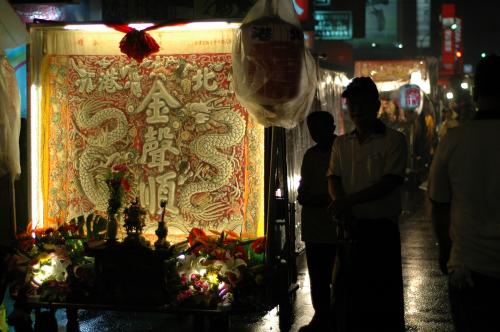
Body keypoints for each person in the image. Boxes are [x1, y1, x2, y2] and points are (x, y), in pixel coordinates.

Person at [327, 77, 407, 332]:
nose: (356, 110)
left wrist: (346, 203)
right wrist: (344, 208)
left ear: (376, 105)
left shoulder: (394, 140)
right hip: (351, 231)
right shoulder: (341, 143)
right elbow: (334, 179)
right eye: (352, 104)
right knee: (349, 302)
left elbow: (389, 183)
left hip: (381, 231)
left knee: (382, 304)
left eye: (362, 104)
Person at [428, 54, 500, 332]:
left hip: (468, 271)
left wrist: (446, 253)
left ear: (476, 92)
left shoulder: (453, 141)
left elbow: (439, 207)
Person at [297, 111, 337, 331]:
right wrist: (303, 194)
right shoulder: (310, 155)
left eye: (319, 129)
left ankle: (337, 315)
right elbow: (305, 183)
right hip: (314, 225)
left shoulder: (342, 150)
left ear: (330, 128)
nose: (315, 134)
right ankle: (321, 315)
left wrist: (321, 198)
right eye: (312, 130)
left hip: (335, 225)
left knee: (338, 275)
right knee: (318, 275)